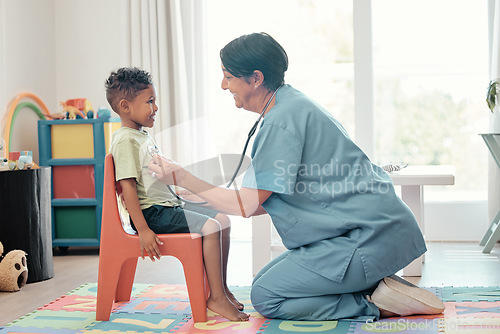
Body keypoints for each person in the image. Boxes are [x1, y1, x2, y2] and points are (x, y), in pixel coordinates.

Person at [148, 33, 445, 321]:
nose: (224, 85)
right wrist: (196, 194)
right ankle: (374, 285)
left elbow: (246, 206)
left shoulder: (281, 122)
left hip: (368, 239)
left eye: (228, 76)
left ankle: (374, 304)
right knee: (265, 278)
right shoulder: (291, 104)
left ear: (255, 78)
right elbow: (267, 199)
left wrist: (183, 178)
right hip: (376, 230)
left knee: (266, 295)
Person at [105, 67, 249, 322]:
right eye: (150, 101)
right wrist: (143, 229)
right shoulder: (124, 140)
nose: (156, 107)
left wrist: (180, 192)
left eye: (155, 100)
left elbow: (154, 179)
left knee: (223, 221)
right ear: (125, 107)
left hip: (167, 206)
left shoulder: (141, 136)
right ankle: (215, 297)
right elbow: (128, 189)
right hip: (152, 214)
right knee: (211, 227)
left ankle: (221, 289)